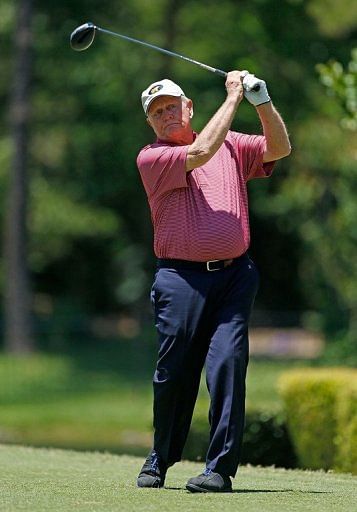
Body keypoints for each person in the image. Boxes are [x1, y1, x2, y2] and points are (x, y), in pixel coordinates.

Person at [136, 71, 291, 493]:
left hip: (234, 279)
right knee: (175, 373)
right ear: (151, 124)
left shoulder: (234, 144)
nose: (166, 115)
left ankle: (219, 470)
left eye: (172, 106)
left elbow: (280, 147)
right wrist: (235, 96)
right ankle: (160, 458)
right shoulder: (153, 157)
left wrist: (261, 101)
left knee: (227, 366)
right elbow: (202, 150)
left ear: (189, 107)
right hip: (179, 280)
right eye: (157, 113)